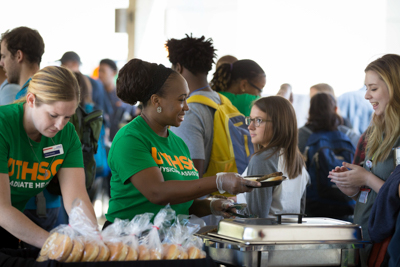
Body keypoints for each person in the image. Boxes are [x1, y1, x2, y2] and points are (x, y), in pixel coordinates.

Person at [104, 59, 260, 226]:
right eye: (181, 99)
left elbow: (181, 203)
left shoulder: (178, 143)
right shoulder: (131, 138)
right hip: (129, 243)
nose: (187, 107)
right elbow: (157, 192)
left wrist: (212, 205)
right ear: (157, 101)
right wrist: (219, 181)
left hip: (167, 243)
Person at [0, 66, 97, 249]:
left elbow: (77, 198)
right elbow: (1, 209)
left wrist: (94, 240)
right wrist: (55, 244)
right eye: (53, 115)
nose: (60, 125)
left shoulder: (67, 134)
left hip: (11, 229)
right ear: (31, 100)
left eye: (67, 117)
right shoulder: (3, 125)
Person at [328, 54, 400, 266]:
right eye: (366, 88)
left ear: (394, 88)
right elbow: (374, 192)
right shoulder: (374, 132)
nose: (367, 95)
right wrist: (352, 185)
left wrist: (367, 179)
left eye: (373, 88)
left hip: (390, 244)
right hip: (366, 236)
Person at [244, 96, 309, 218]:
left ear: (279, 124)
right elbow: (300, 212)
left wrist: (232, 208)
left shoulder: (262, 160)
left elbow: (255, 217)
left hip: (264, 235)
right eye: (250, 119)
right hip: (289, 234)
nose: (250, 126)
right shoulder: (297, 160)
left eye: (258, 120)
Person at [298, 93, 359, 220]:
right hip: (347, 204)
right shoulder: (350, 135)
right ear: (336, 109)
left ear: (310, 111)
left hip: (313, 207)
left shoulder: (300, 135)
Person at [165, 34, 218, 179]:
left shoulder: (189, 111)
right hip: (226, 195)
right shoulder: (221, 101)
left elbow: (189, 176)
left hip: (202, 199)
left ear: (178, 68)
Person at [0, 26, 44, 100]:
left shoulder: (24, 99)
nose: (1, 63)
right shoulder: (46, 90)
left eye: (4, 56)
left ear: (19, 56)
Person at [98, 58, 137, 141]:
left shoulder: (122, 95)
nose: (100, 74)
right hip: (102, 143)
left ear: (113, 73)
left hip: (120, 141)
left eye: (103, 71)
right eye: (99, 71)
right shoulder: (96, 95)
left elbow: (135, 112)